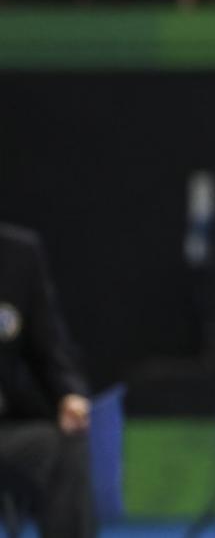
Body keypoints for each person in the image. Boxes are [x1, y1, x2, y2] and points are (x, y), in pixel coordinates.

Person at [0, 223, 95, 537]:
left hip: (5, 433)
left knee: (63, 449)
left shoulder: (19, 255)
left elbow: (51, 348)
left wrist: (69, 395)